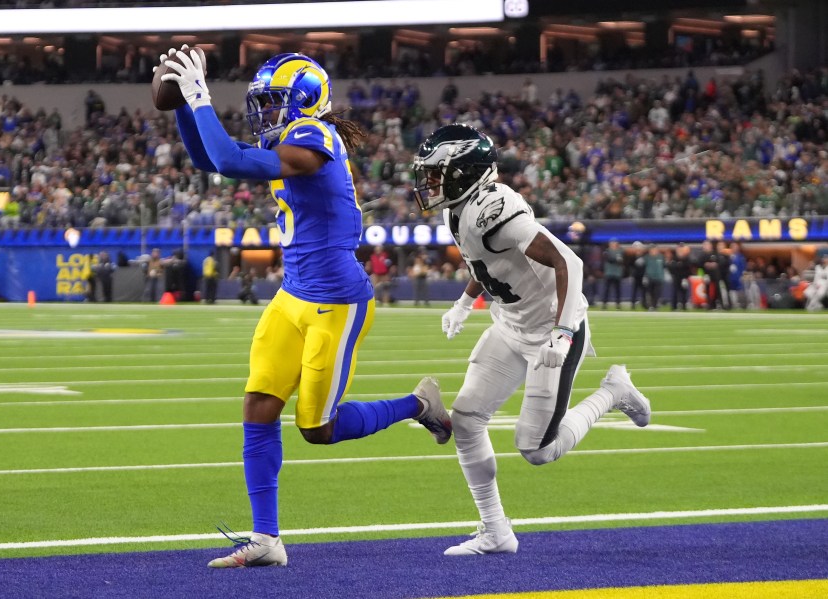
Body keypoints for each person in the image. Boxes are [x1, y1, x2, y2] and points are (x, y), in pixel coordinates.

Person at [160, 47, 452, 568]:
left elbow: (226, 159)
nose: (263, 112)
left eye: (273, 101)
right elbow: (210, 159)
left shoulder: (316, 137)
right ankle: (266, 538)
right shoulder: (288, 138)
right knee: (258, 404)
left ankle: (418, 404)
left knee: (318, 429)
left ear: (306, 100)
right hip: (292, 294)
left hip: (336, 301)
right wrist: (183, 105)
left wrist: (201, 95)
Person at [412, 124, 651, 556]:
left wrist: (562, 334)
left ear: (465, 173)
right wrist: (465, 303)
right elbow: (486, 264)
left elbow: (569, 262)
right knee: (466, 419)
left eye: (436, 173)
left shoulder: (495, 209)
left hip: (552, 328)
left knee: (536, 450)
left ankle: (613, 393)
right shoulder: (457, 210)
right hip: (510, 324)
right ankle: (495, 531)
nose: (428, 183)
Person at [601, 239, 624, 309]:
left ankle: (618, 304)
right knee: (607, 289)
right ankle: (604, 304)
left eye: (614, 243)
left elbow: (621, 260)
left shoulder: (620, 251)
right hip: (609, 272)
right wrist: (616, 260)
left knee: (618, 289)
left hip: (617, 273)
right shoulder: (607, 251)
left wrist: (617, 260)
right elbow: (609, 259)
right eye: (612, 243)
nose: (613, 244)